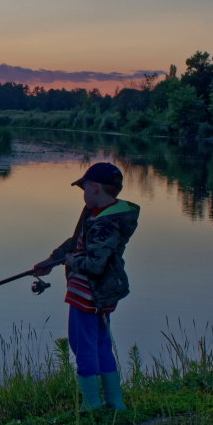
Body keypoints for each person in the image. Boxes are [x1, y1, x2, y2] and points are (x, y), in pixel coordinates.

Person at [34, 162, 140, 411]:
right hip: (97, 293)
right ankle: (115, 403)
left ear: (94, 187)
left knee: (83, 346)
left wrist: (72, 261)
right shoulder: (95, 212)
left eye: (83, 187)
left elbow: (94, 263)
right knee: (100, 344)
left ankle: (91, 404)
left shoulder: (106, 221)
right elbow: (76, 241)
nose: (82, 193)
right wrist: (52, 261)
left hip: (89, 294)